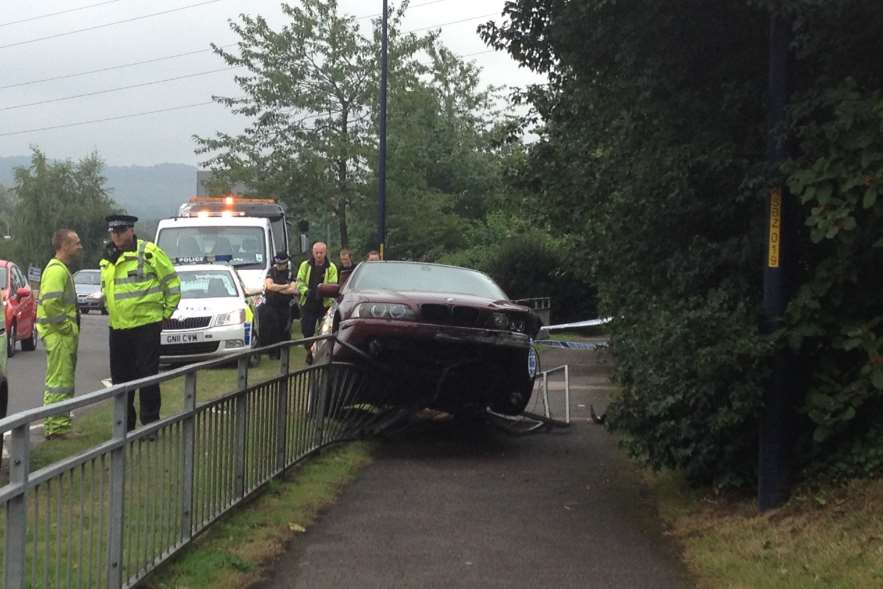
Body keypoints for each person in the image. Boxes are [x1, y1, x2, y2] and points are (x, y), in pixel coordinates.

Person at [100, 214, 181, 432]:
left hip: (146, 326)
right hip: (118, 327)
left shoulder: (149, 253)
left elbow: (172, 284)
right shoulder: (108, 257)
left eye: (121, 231)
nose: (117, 235)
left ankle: (150, 424)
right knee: (120, 379)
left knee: (147, 376)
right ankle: (124, 426)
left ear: (131, 231)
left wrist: (166, 313)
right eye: (113, 232)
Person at [36, 229, 83, 438]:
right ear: (64, 245)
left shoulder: (60, 269)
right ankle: (56, 428)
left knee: (61, 381)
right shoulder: (57, 271)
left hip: (59, 335)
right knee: (59, 382)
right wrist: (66, 328)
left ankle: (58, 424)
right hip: (59, 336)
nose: (80, 247)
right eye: (76, 243)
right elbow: (51, 303)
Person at [296, 241, 338, 364]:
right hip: (308, 303)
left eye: (321, 253)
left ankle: (320, 355)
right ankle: (309, 350)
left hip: (324, 305)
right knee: (307, 331)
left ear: (325, 253)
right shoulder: (305, 265)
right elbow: (299, 282)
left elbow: (332, 283)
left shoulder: (331, 267)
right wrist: (305, 291)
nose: (319, 255)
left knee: (324, 331)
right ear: (313, 253)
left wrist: (324, 291)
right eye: (316, 253)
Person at [262, 252, 297, 358]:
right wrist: (285, 286)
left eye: (281, 264)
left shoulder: (291, 273)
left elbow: (293, 289)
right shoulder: (271, 271)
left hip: (285, 306)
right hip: (271, 305)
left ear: (286, 263)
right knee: (272, 329)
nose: (279, 266)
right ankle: (273, 353)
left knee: (284, 329)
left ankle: (283, 354)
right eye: (277, 263)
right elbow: (268, 286)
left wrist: (276, 288)